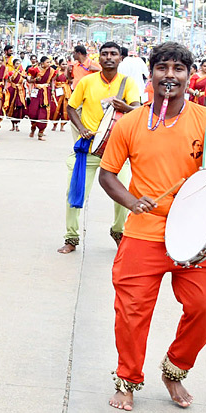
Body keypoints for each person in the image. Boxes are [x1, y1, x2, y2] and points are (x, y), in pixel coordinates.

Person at [98, 41, 206, 411]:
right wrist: (132, 202)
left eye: (179, 69)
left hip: (196, 234)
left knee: (205, 309)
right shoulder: (130, 122)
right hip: (143, 233)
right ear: (151, 73)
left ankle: (175, 368)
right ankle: (127, 379)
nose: (170, 76)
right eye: (163, 68)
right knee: (131, 313)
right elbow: (107, 175)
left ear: (189, 76)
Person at [59, 41, 141, 254]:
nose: (109, 57)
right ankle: (71, 237)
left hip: (117, 151)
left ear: (120, 58)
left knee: (125, 195)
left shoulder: (128, 83)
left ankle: (118, 231)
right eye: (104, 54)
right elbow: (71, 107)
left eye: (113, 54)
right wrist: (82, 127)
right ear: (99, 58)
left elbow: (137, 109)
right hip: (88, 149)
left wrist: (125, 107)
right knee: (74, 193)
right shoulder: (87, 81)